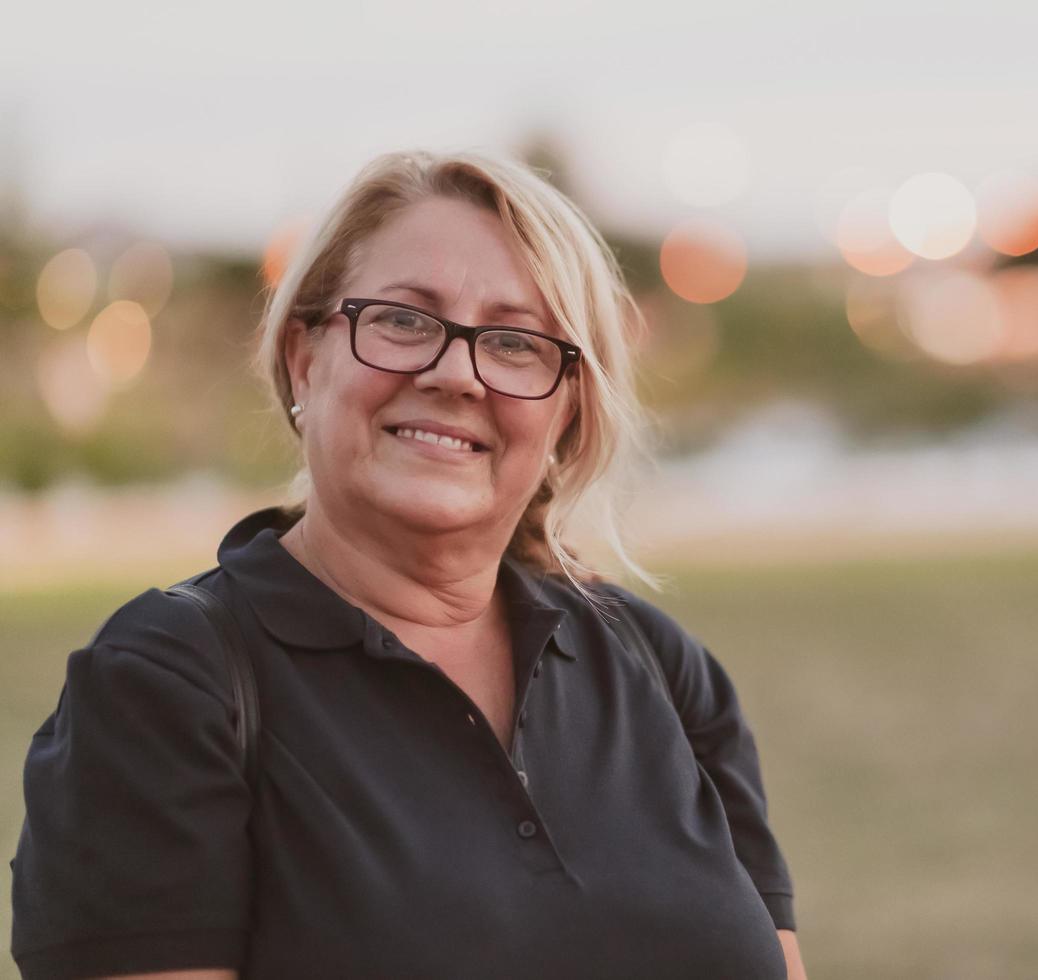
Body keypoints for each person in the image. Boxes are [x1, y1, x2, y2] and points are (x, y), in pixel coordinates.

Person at [11, 151, 807, 980]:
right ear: (304, 358)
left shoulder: (658, 665)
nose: (456, 373)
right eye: (401, 321)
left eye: (514, 342)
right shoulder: (166, 687)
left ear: (568, 411)